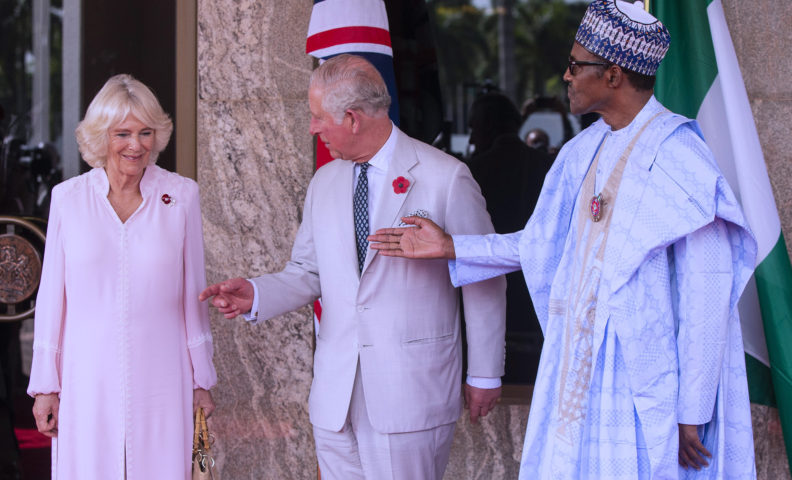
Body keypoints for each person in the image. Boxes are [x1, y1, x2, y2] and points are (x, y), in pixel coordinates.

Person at [369, 1, 757, 478]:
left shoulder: (681, 156)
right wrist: (451, 246)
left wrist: (693, 410)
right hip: (576, 365)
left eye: (576, 65)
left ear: (613, 74)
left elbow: (707, 289)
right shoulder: (582, 150)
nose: (566, 76)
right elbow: (540, 246)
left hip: (641, 378)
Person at [199, 54, 505, 480]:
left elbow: (483, 275)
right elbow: (308, 271)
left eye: (317, 117)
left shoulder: (445, 177)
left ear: (352, 118)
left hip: (410, 393)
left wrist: (485, 372)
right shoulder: (324, 181)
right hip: (335, 397)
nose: (312, 128)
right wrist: (258, 292)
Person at [28, 74, 217, 479]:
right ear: (101, 137)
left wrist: (201, 377)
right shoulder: (68, 199)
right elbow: (51, 299)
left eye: (146, 132)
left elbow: (193, 295)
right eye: (123, 133)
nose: (136, 145)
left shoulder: (181, 196)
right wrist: (46, 384)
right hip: (86, 376)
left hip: (165, 375)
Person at [466, 92, 552, 383]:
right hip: (537, 289)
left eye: (473, 127)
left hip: (489, 282)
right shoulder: (546, 164)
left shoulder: (472, 170)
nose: (472, 135)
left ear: (486, 127)